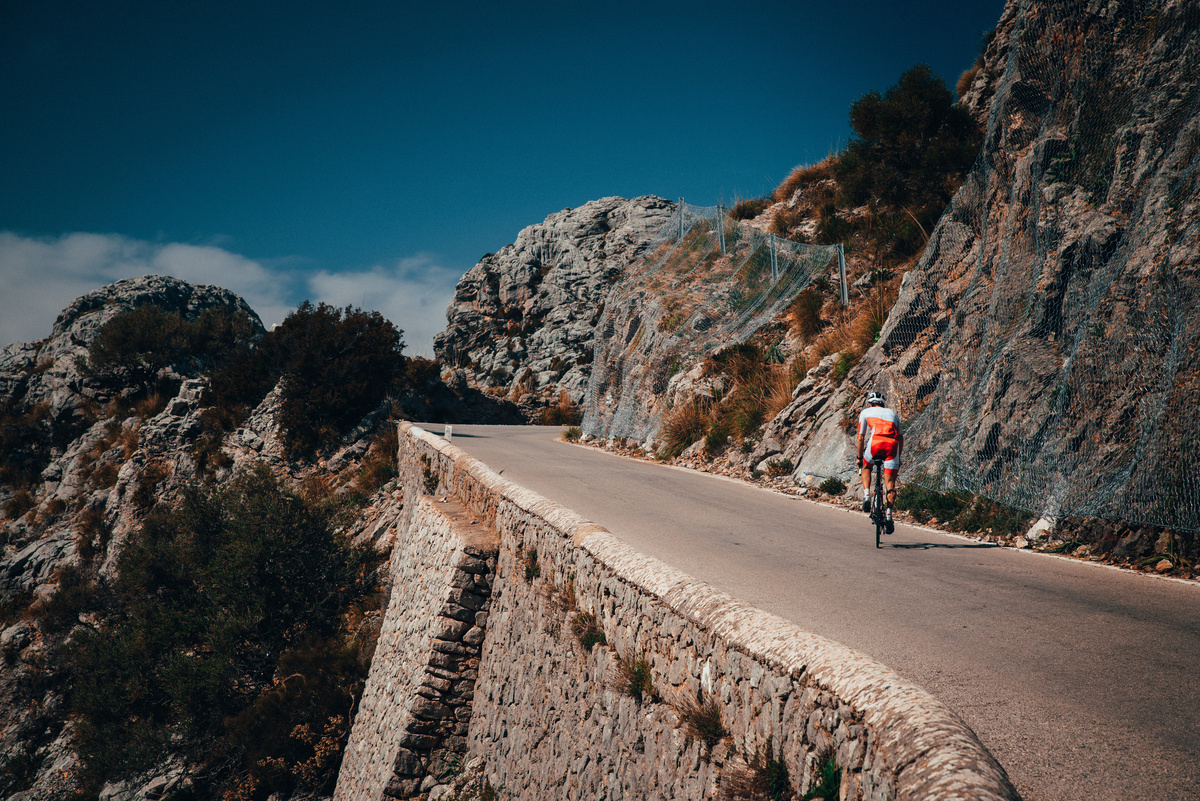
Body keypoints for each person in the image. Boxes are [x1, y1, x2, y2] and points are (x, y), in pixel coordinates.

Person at [856, 391, 902, 534]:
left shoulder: (866, 412)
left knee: (866, 467)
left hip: (875, 443)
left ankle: (866, 496)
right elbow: (900, 438)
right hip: (892, 446)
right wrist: (898, 458)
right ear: (883, 404)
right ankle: (888, 515)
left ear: (870, 403)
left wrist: (859, 458)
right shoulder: (893, 414)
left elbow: (860, 438)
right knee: (890, 484)